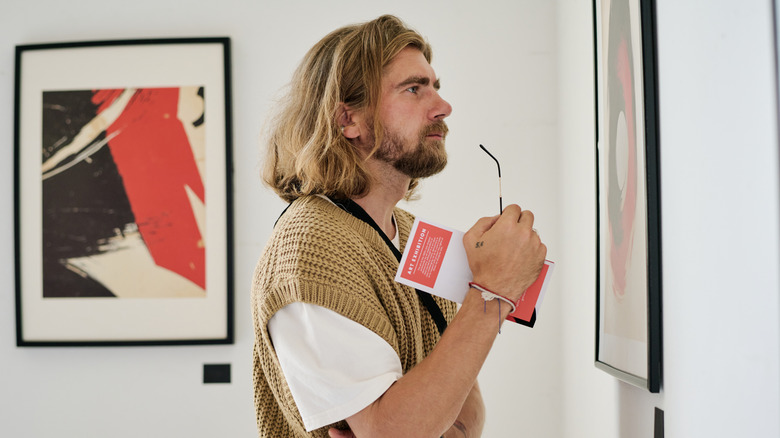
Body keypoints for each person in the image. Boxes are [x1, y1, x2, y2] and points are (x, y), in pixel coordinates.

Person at [252, 14, 547, 438]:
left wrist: (424, 420)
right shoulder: (312, 250)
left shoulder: (407, 234)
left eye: (435, 86)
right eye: (414, 88)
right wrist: (492, 291)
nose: (443, 106)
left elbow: (466, 416)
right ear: (348, 120)